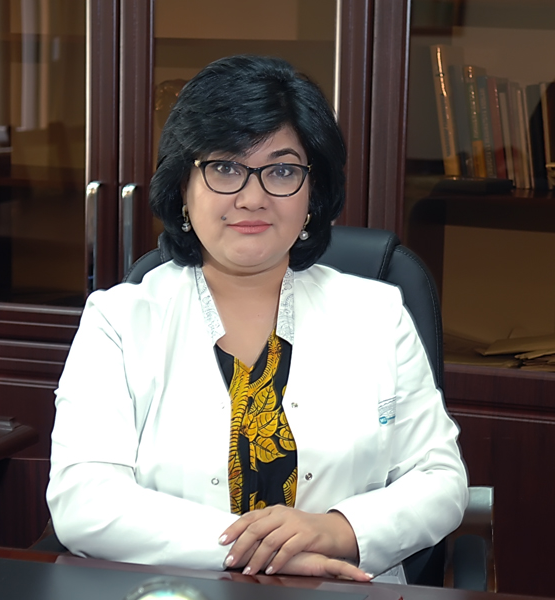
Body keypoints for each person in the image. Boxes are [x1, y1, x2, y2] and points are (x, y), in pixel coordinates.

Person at [47, 54, 468, 581]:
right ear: (183, 188)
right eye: (225, 168)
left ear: (312, 193)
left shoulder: (377, 315)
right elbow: (83, 500)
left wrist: (339, 529)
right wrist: (258, 552)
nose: (252, 197)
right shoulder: (118, 321)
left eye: (282, 170)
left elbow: (440, 479)